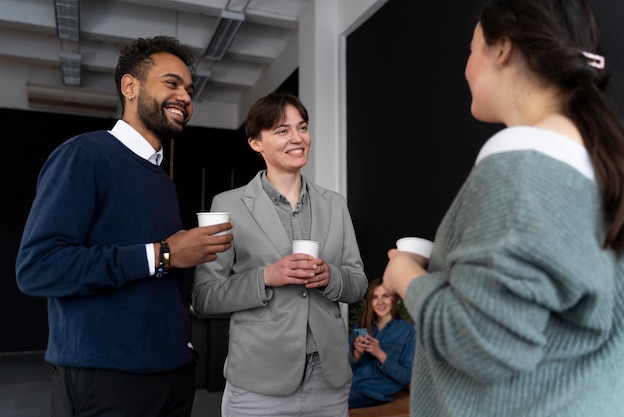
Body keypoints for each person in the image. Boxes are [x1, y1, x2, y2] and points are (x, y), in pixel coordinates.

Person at [382, 0, 624, 416]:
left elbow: (479, 342)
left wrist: (405, 275)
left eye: (472, 48)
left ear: (502, 50)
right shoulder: (598, 164)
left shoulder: (522, 166)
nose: (466, 67)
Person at [15, 36, 233, 417]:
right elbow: (38, 268)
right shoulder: (84, 156)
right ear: (129, 87)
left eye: (189, 89)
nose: (185, 97)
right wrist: (163, 254)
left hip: (173, 376)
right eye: (172, 83)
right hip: (108, 382)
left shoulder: (160, 176)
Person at [190, 92, 369, 417]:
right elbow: (204, 297)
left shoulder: (335, 204)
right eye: (282, 130)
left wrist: (331, 277)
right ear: (256, 142)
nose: (297, 138)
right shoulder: (228, 206)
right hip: (259, 381)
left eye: (302, 127)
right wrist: (266, 277)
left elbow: (357, 285)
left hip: (328, 380)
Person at [348, 278, 415, 409]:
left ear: (393, 299)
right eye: (375, 297)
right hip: (349, 385)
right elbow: (343, 368)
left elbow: (407, 377)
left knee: (323, 404)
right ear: (370, 302)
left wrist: (380, 354)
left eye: (385, 296)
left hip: (374, 392)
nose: (380, 302)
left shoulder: (408, 331)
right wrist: (356, 354)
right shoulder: (360, 328)